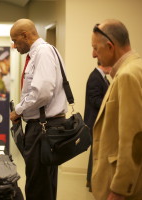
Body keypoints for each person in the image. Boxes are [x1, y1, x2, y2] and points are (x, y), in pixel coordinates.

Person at [10, 18, 67, 200]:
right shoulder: (42, 52)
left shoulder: (42, 53)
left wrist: (18, 109)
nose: (14, 45)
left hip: (44, 128)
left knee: (38, 185)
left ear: (25, 35)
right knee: (44, 183)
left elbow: (42, 92)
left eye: (15, 40)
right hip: (45, 126)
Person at [91, 19, 142, 200]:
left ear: (110, 46)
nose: (93, 54)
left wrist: (120, 188)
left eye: (96, 48)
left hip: (122, 187)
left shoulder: (128, 75)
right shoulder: (134, 68)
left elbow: (134, 138)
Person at [84, 61, 111, 192]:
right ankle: (91, 181)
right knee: (95, 153)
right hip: (94, 122)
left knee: (96, 152)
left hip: (98, 121)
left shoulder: (103, 78)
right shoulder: (95, 77)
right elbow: (95, 100)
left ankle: (92, 181)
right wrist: (111, 104)